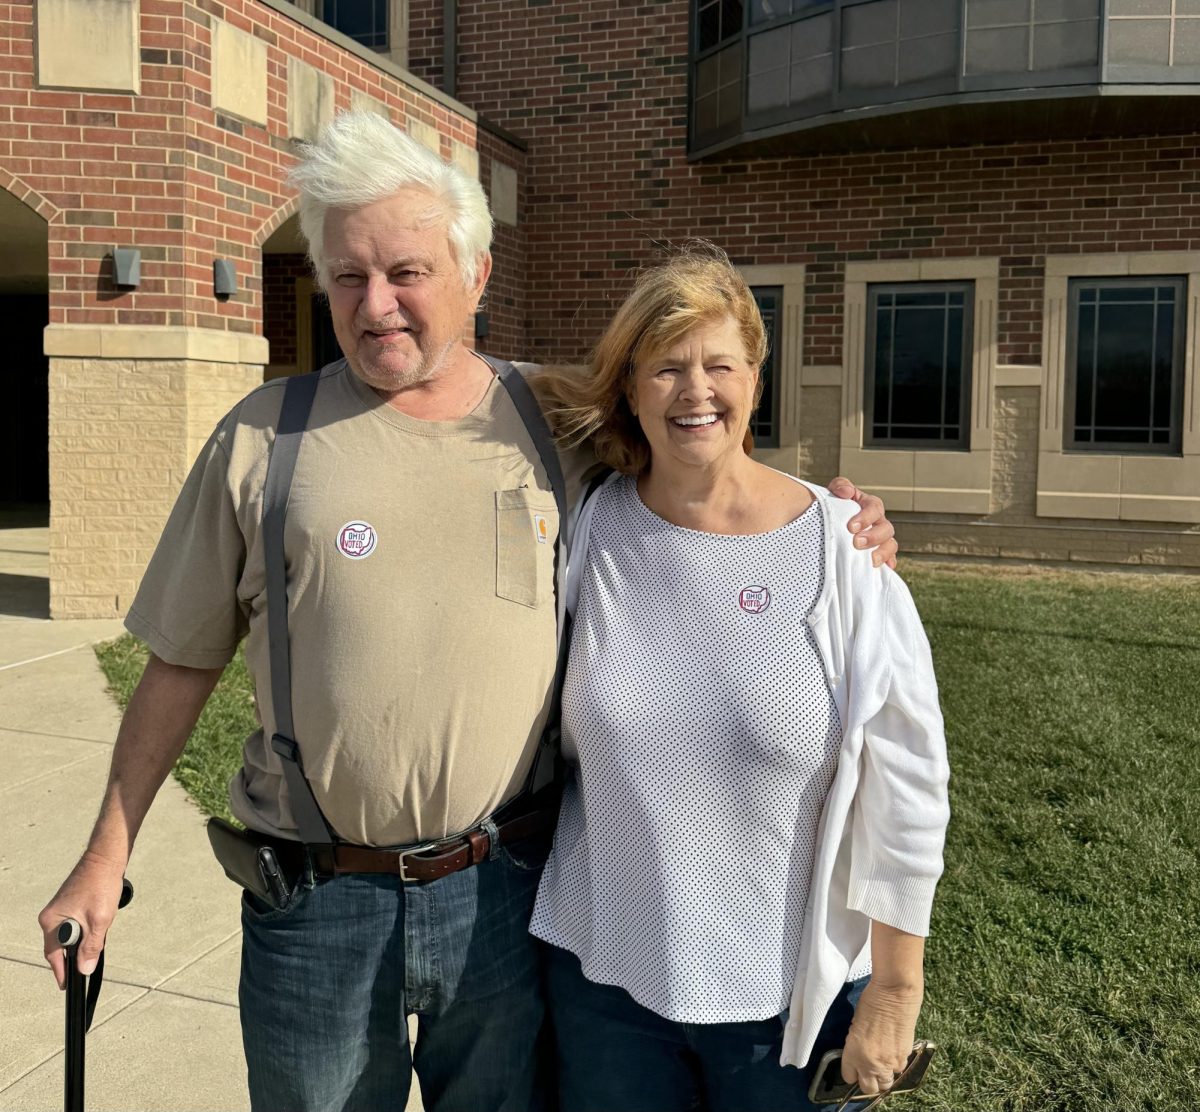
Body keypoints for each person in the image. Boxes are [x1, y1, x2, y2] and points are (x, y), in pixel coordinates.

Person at [37, 113, 897, 1112]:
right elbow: (181, 663)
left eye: (406, 271)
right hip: (317, 903)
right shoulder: (262, 440)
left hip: (506, 894)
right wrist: (106, 856)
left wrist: (832, 515)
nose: (377, 304)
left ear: (475, 275)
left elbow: (702, 454)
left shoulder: (556, 417)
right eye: (349, 276)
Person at [528, 248, 951, 1112]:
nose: (696, 392)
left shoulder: (843, 553)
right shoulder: (587, 527)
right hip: (604, 982)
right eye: (667, 368)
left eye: (720, 365)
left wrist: (895, 991)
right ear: (631, 387)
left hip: (789, 1005)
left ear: (755, 379)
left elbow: (909, 788)